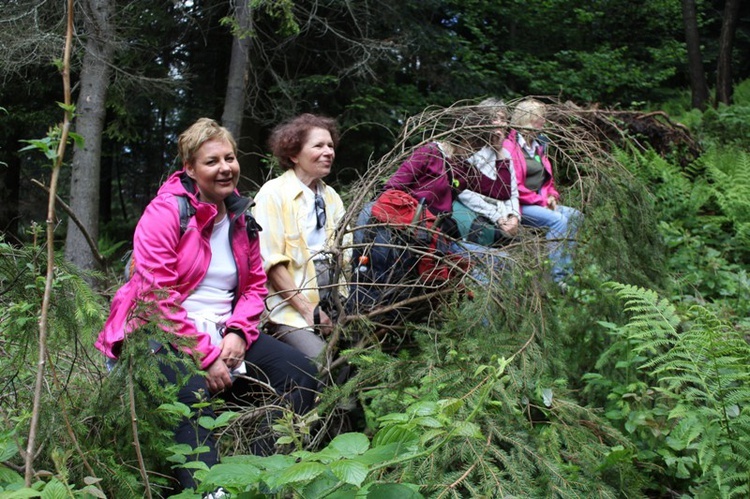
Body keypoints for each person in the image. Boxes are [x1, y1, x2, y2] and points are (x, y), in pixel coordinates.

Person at [95, 118, 318, 495]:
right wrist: (206, 354)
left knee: (300, 373)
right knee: (191, 390)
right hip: (160, 330)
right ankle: (206, 489)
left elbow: (253, 288)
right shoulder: (165, 213)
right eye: (212, 161)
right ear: (190, 169)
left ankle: (257, 474)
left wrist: (237, 333)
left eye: (230, 158)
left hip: (223, 328)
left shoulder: (241, 216)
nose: (225, 167)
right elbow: (155, 297)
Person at [252, 114, 347, 364]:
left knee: (358, 359)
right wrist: (309, 311)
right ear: (294, 154)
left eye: (330, 145)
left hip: (333, 302)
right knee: (324, 363)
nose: (328, 152)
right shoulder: (273, 194)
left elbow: (343, 253)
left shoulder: (332, 197)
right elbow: (271, 262)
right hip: (290, 310)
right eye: (318, 146)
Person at [502, 98, 583, 285]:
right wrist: (541, 201)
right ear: (527, 118)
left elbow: (547, 181)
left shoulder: (538, 146)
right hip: (519, 205)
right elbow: (513, 187)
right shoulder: (510, 147)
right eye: (540, 118)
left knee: (575, 216)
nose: (543, 122)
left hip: (539, 201)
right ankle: (559, 278)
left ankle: (565, 266)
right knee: (558, 220)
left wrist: (551, 196)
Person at [452, 98, 521, 246]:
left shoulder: (505, 154)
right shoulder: (469, 149)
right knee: (484, 233)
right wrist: (496, 216)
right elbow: (465, 192)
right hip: (471, 209)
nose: (499, 123)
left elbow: (511, 192)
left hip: (500, 211)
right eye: (494, 118)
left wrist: (513, 216)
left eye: (502, 119)